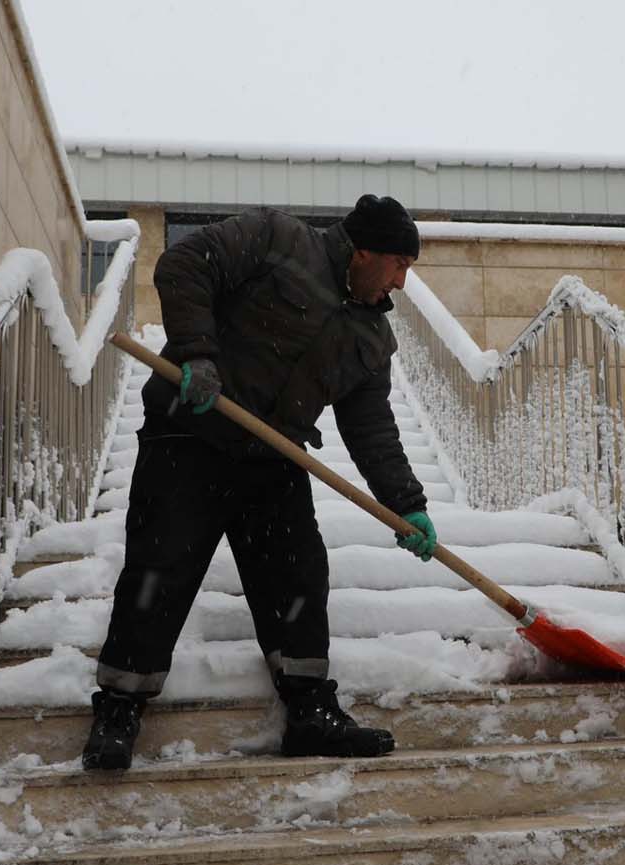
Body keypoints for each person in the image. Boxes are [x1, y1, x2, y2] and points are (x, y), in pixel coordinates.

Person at [80, 195, 438, 770]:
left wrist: (407, 504)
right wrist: (198, 352)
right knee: (160, 569)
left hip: (271, 455)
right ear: (364, 251)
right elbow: (185, 265)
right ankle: (119, 706)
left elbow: (371, 426)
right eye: (398, 265)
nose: (400, 281)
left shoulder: (371, 335)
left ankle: (309, 712)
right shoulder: (277, 239)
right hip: (189, 433)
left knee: (297, 574)